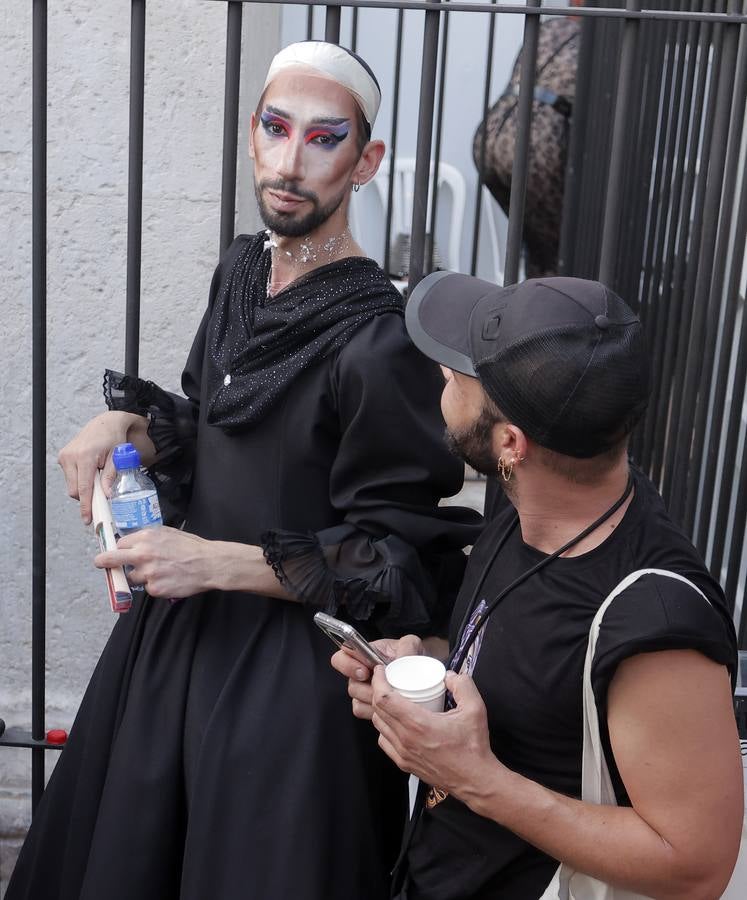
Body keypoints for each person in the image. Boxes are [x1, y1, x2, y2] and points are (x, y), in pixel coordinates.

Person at [7, 42, 482, 900]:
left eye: (324, 138)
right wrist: (127, 428)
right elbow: (214, 426)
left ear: (365, 160)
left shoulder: (381, 340)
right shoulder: (240, 269)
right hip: (174, 650)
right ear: (253, 136)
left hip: (292, 688)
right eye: (275, 128)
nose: (292, 162)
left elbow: (394, 558)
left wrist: (213, 562)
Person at [332, 272, 742, 899]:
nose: (444, 376)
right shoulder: (527, 516)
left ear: (509, 444)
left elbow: (695, 865)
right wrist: (425, 664)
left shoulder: (653, 620)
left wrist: (474, 778)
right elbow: (521, 666)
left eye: (460, 374)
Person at [473, 14, 580, 277]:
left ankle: (529, 295)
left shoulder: (550, 27)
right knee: (556, 250)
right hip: (536, 143)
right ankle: (546, 305)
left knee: (532, 238)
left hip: (492, 132)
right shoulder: (599, 43)